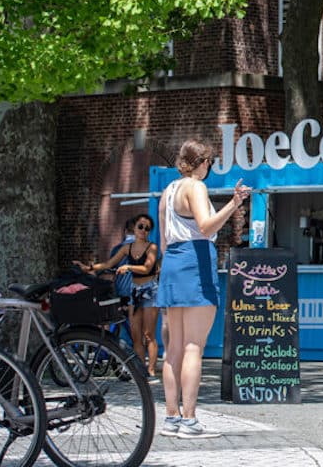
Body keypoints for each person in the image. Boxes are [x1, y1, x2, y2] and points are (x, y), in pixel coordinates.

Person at [157, 139, 250, 439]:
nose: (210, 167)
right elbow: (207, 227)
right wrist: (234, 205)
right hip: (196, 261)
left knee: (173, 348)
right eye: (209, 162)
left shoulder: (167, 192)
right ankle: (190, 420)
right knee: (193, 346)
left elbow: (162, 243)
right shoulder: (195, 187)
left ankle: (171, 418)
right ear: (202, 162)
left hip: (172, 263)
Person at [117, 214, 161, 378]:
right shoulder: (126, 248)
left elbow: (147, 267)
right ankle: (141, 369)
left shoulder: (152, 247)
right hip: (134, 290)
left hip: (150, 289)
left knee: (149, 334)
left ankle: (151, 369)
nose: (143, 230)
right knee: (136, 334)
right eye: (140, 226)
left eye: (147, 228)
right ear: (134, 228)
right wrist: (91, 268)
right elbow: (110, 262)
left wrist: (128, 267)